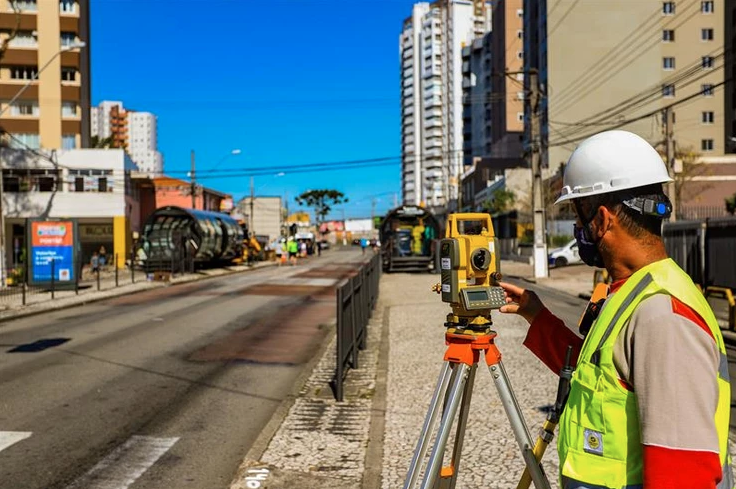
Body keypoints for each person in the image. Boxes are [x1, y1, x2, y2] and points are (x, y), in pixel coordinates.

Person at [499, 130, 732, 489]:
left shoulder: (663, 314)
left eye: (579, 216)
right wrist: (536, 315)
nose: (578, 229)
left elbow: (683, 473)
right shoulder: (630, 290)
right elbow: (597, 373)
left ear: (603, 219)